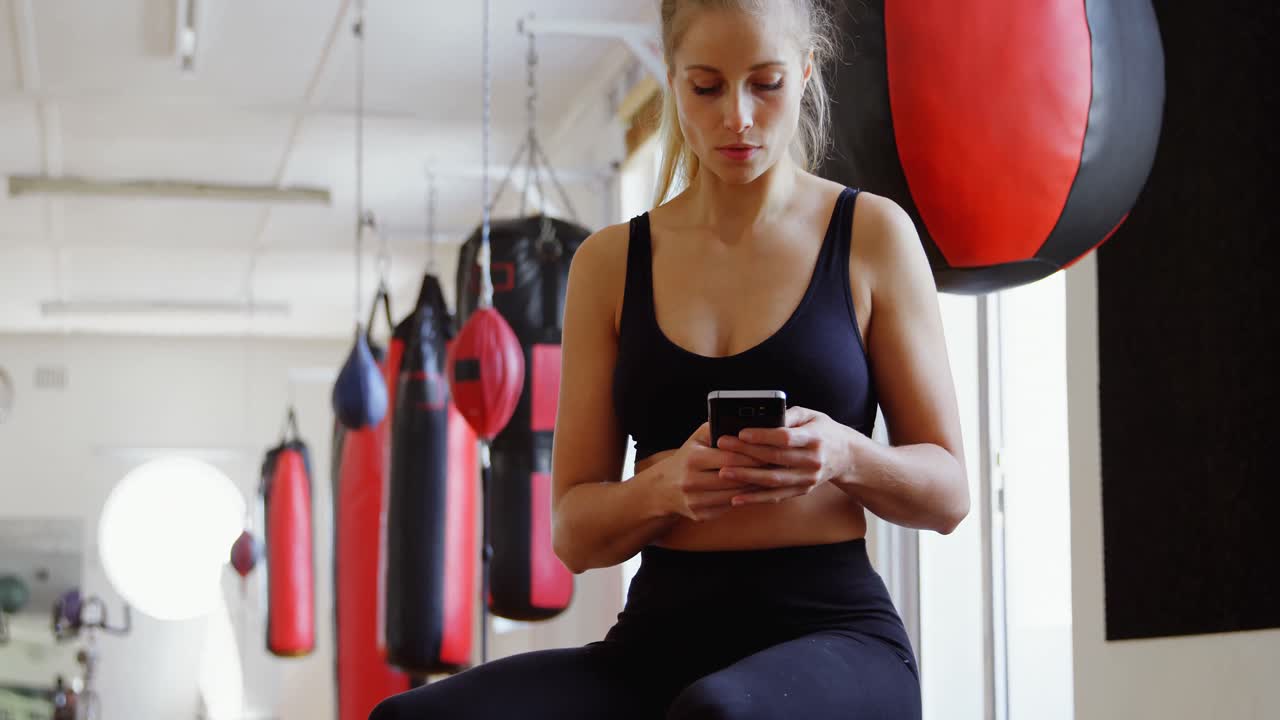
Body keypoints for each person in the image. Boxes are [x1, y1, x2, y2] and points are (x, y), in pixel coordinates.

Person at [372, 0, 967, 717]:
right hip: (654, 642)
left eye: (767, 83)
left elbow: (949, 493)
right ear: (672, 78)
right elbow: (574, 534)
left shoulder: (871, 234)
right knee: (410, 716)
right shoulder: (607, 264)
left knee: (715, 714)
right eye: (707, 87)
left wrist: (847, 456)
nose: (738, 118)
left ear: (805, 73)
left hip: (832, 631)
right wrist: (664, 488)